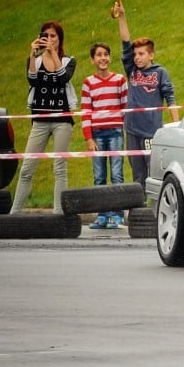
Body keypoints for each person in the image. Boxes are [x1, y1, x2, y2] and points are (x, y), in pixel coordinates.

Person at [10, 21, 78, 213]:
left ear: (60, 39)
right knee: (26, 169)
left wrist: (53, 53)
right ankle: (14, 213)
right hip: (39, 119)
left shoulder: (68, 61)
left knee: (59, 168)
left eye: (53, 36)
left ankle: (59, 213)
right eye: (45, 35)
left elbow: (63, 77)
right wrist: (33, 54)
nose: (49, 39)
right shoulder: (36, 60)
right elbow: (32, 79)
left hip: (62, 120)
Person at [114, 1, 179, 190]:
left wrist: (176, 126)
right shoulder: (131, 70)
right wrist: (122, 16)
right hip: (132, 130)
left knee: (153, 173)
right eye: (135, 54)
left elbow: (171, 99)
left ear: (151, 55)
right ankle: (138, 212)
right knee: (137, 174)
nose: (137, 57)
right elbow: (125, 43)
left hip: (152, 132)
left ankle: (155, 211)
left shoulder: (160, 73)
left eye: (141, 53)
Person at [80, 42, 128, 229]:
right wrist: (88, 138)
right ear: (92, 60)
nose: (103, 58)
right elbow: (85, 112)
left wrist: (119, 125)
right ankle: (102, 215)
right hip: (97, 134)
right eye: (99, 55)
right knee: (99, 175)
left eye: (106, 54)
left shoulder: (119, 80)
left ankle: (117, 215)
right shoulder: (88, 83)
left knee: (117, 174)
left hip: (115, 132)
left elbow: (125, 108)